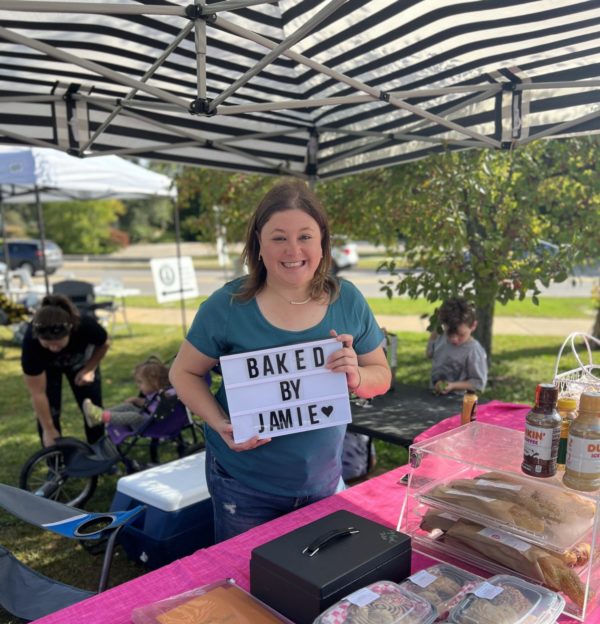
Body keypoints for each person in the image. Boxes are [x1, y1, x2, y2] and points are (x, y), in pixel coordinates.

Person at [170, 179, 391, 541]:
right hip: (244, 486)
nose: (293, 249)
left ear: (322, 241)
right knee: (248, 584)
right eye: (278, 237)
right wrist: (221, 424)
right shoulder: (227, 306)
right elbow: (183, 372)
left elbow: (381, 375)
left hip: (323, 480)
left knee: (315, 581)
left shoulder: (347, 299)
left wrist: (356, 376)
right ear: (258, 243)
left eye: (305, 236)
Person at [21, 294, 110, 446]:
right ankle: (55, 461)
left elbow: (104, 343)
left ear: (70, 330)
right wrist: (48, 430)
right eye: (47, 344)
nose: (54, 348)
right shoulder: (31, 342)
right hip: (48, 368)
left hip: (80, 361)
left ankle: (100, 451)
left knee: (93, 409)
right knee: (50, 411)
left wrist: (90, 368)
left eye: (58, 343)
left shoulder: (84, 324)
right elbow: (38, 393)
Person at [82, 356, 171, 431]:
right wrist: (136, 400)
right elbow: (150, 404)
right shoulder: (154, 393)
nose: (138, 386)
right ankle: (99, 416)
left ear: (154, 382)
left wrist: (166, 398)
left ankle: (101, 416)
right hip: (147, 419)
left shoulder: (166, 394)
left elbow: (160, 407)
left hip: (154, 425)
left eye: (140, 382)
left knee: (134, 416)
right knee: (128, 407)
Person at [426, 297, 487, 395]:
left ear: (473, 326)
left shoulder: (473, 350)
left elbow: (478, 384)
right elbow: (429, 353)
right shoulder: (440, 336)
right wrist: (434, 332)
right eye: (449, 333)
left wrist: (453, 386)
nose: (454, 339)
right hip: (434, 396)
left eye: (461, 334)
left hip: (458, 402)